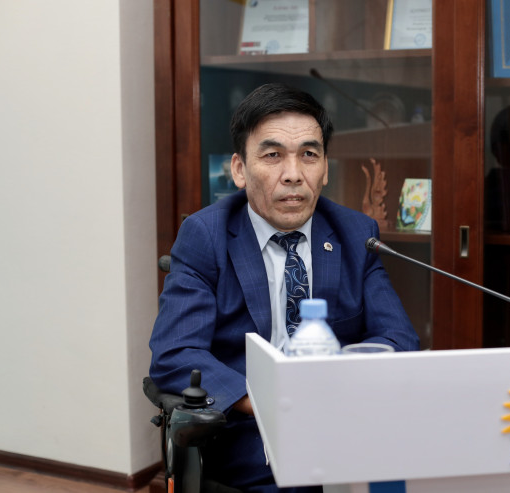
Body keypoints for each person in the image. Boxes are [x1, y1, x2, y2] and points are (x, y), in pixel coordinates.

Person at [149, 83, 420, 492]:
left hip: (343, 422)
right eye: (273, 155)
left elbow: (398, 339)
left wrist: (334, 390)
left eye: (309, 155)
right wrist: (268, 402)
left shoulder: (355, 233)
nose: (293, 174)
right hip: (249, 430)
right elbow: (175, 352)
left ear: (325, 169)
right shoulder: (206, 235)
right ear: (239, 170)